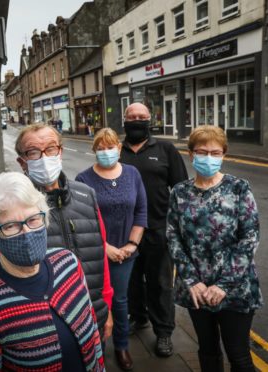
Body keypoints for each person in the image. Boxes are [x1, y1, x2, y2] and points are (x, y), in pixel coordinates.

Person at [0, 172, 104, 371]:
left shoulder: (68, 262)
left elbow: (93, 333)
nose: (27, 232)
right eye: (10, 226)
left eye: (33, 219)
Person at [167, 126, 262, 372]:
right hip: (197, 290)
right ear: (190, 154)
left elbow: (250, 238)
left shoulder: (239, 188)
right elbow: (173, 236)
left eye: (215, 152)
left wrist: (223, 285)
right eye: (202, 151)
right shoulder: (180, 192)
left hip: (235, 288)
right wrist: (191, 279)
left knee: (238, 354)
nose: (208, 157)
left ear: (224, 154)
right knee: (207, 350)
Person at [14, 123, 114, 343]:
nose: (44, 157)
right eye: (33, 152)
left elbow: (101, 258)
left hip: (93, 316)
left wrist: (106, 309)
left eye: (50, 148)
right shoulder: (14, 210)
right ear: (22, 162)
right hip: (46, 328)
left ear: (60, 152)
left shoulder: (87, 195)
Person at [76, 128, 147, 371]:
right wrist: (106, 248)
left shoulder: (133, 173)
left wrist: (131, 245)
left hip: (126, 253)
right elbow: (83, 219)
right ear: (94, 150)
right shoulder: (83, 179)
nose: (106, 152)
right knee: (96, 302)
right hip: (95, 252)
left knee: (120, 300)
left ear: (119, 148)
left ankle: (121, 345)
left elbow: (141, 211)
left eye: (111, 147)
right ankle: (97, 349)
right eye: (101, 148)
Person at [120, 102, 188, 357]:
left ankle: (164, 333)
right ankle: (139, 317)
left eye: (142, 117)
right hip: (126, 231)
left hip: (159, 228)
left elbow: (181, 189)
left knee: (161, 284)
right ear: (124, 120)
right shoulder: (116, 150)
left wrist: (179, 228)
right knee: (132, 280)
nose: (136, 120)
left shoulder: (165, 149)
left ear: (150, 120)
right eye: (132, 116)